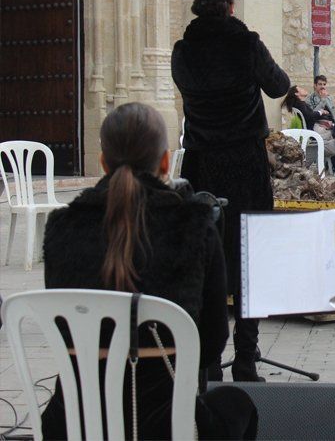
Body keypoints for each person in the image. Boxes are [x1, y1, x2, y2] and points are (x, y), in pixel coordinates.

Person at [41, 102, 258, 439]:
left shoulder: (61, 226)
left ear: (102, 163)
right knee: (238, 404)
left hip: (73, 423)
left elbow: (61, 327)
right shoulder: (194, 225)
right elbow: (212, 342)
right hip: (166, 424)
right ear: (166, 162)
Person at [172, 0, 290, 382]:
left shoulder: (183, 51)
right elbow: (279, 87)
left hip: (202, 164)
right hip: (244, 163)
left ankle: (206, 361)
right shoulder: (246, 43)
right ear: (231, 4)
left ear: (196, 4)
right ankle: (245, 356)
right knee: (250, 255)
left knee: (207, 255)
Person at [281, 85, 335, 159]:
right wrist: (320, 112)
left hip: (313, 128)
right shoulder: (300, 104)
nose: (304, 89)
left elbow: (310, 115)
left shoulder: (300, 103)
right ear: (297, 93)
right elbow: (309, 116)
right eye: (301, 89)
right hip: (312, 131)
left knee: (334, 132)